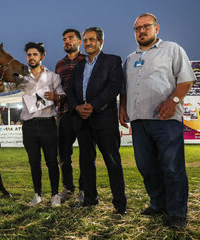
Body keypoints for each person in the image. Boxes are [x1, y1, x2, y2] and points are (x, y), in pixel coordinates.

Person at [119, 13, 195, 228]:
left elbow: (186, 78)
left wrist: (174, 100)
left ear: (156, 28)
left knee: (172, 167)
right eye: (137, 28)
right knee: (146, 167)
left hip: (166, 120)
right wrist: (122, 107)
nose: (141, 31)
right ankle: (158, 204)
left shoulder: (172, 49)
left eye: (146, 27)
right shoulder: (130, 58)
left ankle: (177, 212)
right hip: (139, 121)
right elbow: (124, 89)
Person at [67, 27, 126, 214]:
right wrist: (77, 106)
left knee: (112, 163)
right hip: (83, 121)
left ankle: (119, 204)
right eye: (85, 40)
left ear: (101, 41)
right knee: (86, 163)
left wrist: (92, 105)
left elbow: (114, 87)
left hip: (104, 120)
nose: (87, 43)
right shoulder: (79, 65)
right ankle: (90, 200)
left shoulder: (112, 61)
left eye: (91, 39)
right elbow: (70, 90)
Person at [21, 42, 65, 207]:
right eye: (29, 55)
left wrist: (56, 97)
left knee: (52, 161)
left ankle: (54, 195)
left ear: (42, 57)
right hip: (29, 125)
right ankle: (37, 194)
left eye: (34, 54)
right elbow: (6, 86)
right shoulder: (22, 78)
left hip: (48, 124)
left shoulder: (53, 77)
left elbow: (62, 95)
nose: (31, 58)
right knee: (33, 161)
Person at [55, 29, 88, 203]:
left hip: (82, 113)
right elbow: (57, 89)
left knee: (85, 152)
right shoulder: (59, 64)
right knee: (64, 155)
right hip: (64, 113)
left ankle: (84, 189)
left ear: (79, 42)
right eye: (64, 39)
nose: (67, 41)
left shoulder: (87, 60)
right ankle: (68, 188)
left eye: (70, 38)